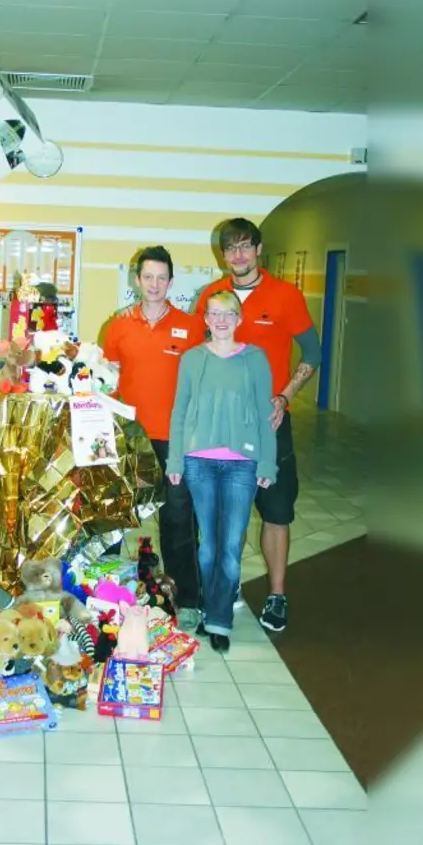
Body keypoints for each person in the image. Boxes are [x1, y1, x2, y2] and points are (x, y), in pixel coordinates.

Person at [192, 218, 319, 633]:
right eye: (231, 249)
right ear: (223, 255)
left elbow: (314, 352)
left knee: (276, 512)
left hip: (268, 424)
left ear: (259, 249)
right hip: (219, 428)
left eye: (246, 247)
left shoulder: (285, 295)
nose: (239, 256)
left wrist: (284, 396)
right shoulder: (211, 297)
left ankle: (277, 595)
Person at [167, 291, 278, 654]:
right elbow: (179, 412)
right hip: (198, 461)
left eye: (228, 313)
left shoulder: (255, 360)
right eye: (214, 314)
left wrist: (267, 462)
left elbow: (266, 415)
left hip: (241, 465)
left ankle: (218, 619)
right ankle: (206, 606)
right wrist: (175, 461)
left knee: (230, 545)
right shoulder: (192, 359)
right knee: (208, 547)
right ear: (205, 318)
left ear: (239, 317)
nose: (220, 320)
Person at [102, 246, 205, 631]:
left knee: (178, 519)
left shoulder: (192, 327)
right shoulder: (118, 325)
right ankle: (104, 590)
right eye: (148, 277)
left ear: (171, 282)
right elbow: (107, 379)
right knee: (115, 517)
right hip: (127, 436)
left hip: (176, 438)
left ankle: (187, 598)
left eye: (162, 278)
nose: (154, 284)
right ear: (137, 280)